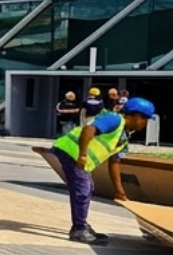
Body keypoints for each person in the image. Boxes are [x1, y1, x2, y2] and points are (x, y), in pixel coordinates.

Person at [49, 97, 155, 243]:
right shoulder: (115, 119)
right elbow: (89, 129)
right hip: (71, 151)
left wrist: (119, 190)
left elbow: (115, 163)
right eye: (146, 119)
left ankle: (81, 224)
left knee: (87, 187)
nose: (145, 124)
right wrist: (83, 155)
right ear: (137, 116)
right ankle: (79, 229)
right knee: (83, 189)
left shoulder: (123, 137)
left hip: (75, 155)